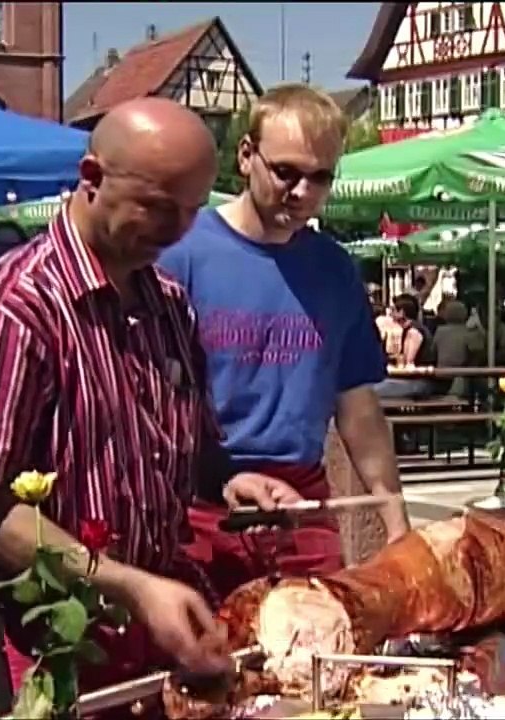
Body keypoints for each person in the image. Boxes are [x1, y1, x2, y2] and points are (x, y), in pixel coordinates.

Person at [0, 99, 304, 711]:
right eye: (157, 206)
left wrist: (232, 482)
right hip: (44, 644)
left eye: (192, 210)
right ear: (91, 177)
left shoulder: (168, 301)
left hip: (149, 628)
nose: (177, 230)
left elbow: (184, 452)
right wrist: (128, 585)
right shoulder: (8, 310)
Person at [158, 84, 408, 599]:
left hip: (302, 506)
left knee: (321, 639)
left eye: (320, 177)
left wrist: (395, 519)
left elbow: (359, 409)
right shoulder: (181, 254)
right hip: (199, 504)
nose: (302, 192)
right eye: (286, 172)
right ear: (246, 156)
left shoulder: (334, 269)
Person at [373, 293, 434, 399]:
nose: (390, 313)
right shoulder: (408, 330)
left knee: (369, 391)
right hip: (410, 380)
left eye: (393, 310)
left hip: (418, 383)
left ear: (402, 312)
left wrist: (389, 368)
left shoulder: (414, 332)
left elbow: (408, 366)